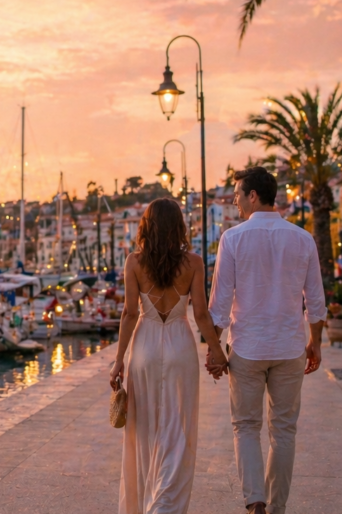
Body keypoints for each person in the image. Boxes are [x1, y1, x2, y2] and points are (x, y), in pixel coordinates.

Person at [205, 167, 326, 514]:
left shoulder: (234, 238)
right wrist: (314, 343)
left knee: (245, 426)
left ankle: (254, 500)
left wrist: (216, 351)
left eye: (238, 195)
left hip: (247, 348)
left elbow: (219, 306)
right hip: (289, 348)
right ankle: (276, 508)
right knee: (284, 430)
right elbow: (315, 303)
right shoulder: (303, 239)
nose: (235, 201)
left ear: (253, 195)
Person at [110, 198, 225, 514]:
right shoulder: (194, 263)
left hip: (144, 348)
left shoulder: (134, 262)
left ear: (146, 225)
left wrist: (119, 360)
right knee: (178, 429)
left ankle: (148, 500)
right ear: (179, 227)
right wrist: (218, 352)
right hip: (179, 345)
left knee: (144, 428)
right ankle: (164, 505)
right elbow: (201, 315)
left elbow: (129, 314)